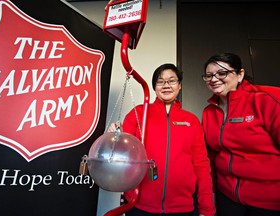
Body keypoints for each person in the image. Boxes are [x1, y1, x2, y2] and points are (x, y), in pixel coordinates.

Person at [108, 63, 215, 216]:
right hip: (139, 204)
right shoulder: (138, 113)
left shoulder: (191, 121)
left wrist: (206, 208)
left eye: (171, 80)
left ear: (179, 85)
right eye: (160, 81)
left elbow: (202, 166)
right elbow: (123, 155)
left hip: (182, 207)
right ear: (154, 87)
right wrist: (117, 134)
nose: (166, 85)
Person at [201, 52, 280, 216]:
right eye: (209, 76)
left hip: (269, 201)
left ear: (239, 74)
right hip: (228, 198)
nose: (214, 79)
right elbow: (212, 157)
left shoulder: (264, 99)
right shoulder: (209, 112)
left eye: (222, 73)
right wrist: (212, 192)